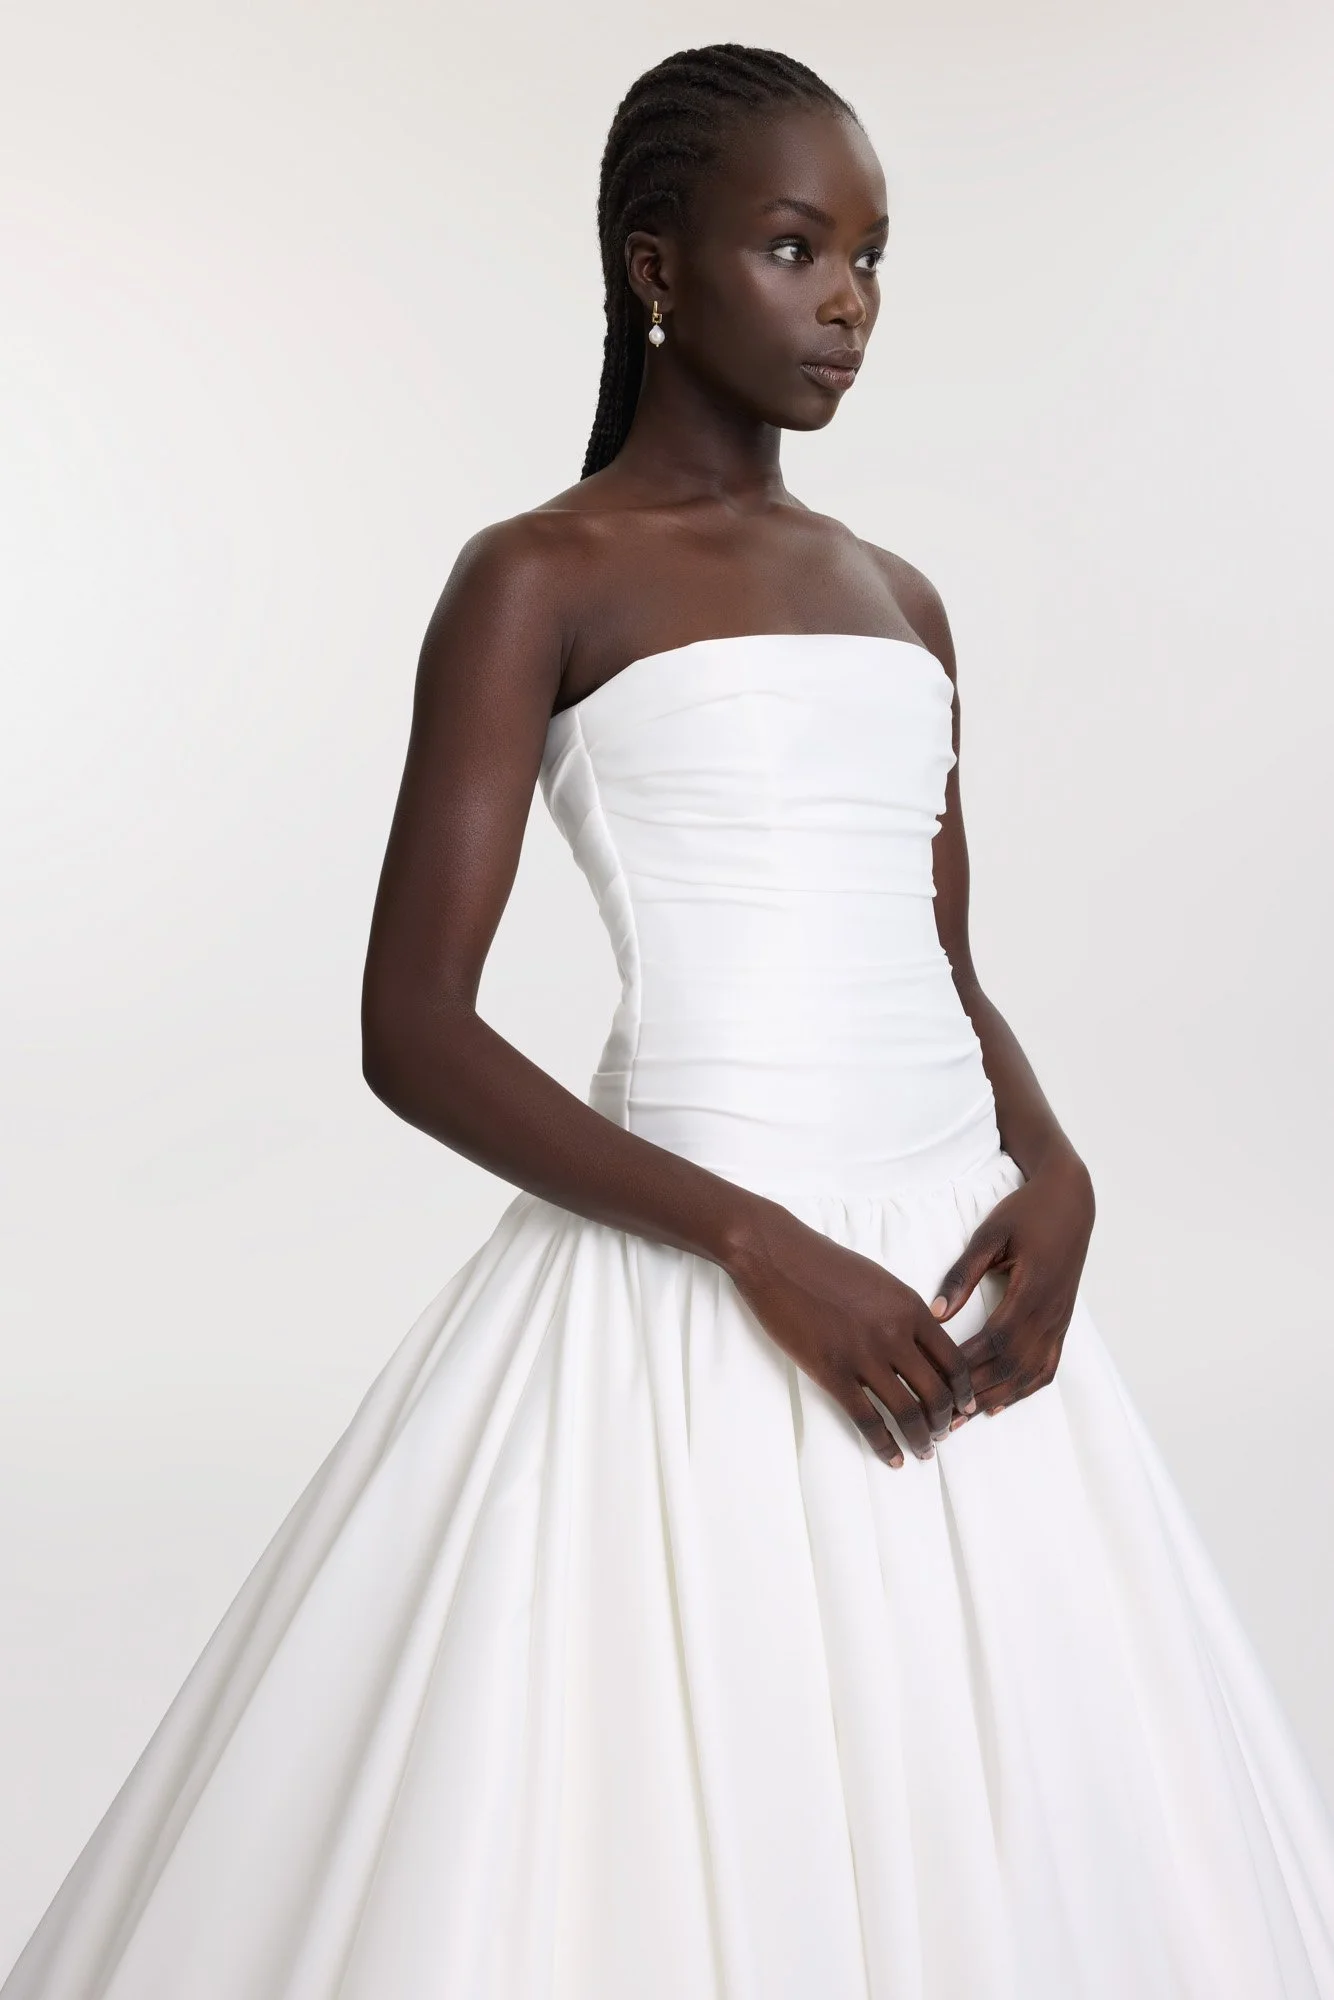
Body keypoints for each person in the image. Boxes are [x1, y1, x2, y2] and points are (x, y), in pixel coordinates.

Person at [6, 39, 1334, 2000]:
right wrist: (748, 1236)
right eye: (795, 249)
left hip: (947, 1260)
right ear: (655, 266)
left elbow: (942, 959)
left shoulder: (898, 594)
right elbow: (410, 1025)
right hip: (702, 1262)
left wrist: (1052, 1162)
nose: (849, 304)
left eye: (874, 257)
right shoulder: (540, 576)